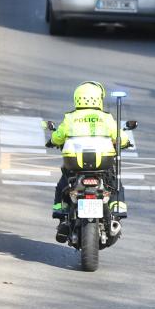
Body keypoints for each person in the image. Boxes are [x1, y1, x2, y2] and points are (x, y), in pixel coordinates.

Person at [48, 82, 131, 227]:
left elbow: (58, 137)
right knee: (114, 181)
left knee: (64, 181)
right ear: (99, 98)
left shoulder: (70, 117)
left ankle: (61, 208)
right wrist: (125, 142)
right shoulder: (106, 117)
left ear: (77, 98)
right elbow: (121, 138)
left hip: (75, 163)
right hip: (103, 162)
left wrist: (52, 140)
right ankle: (118, 206)